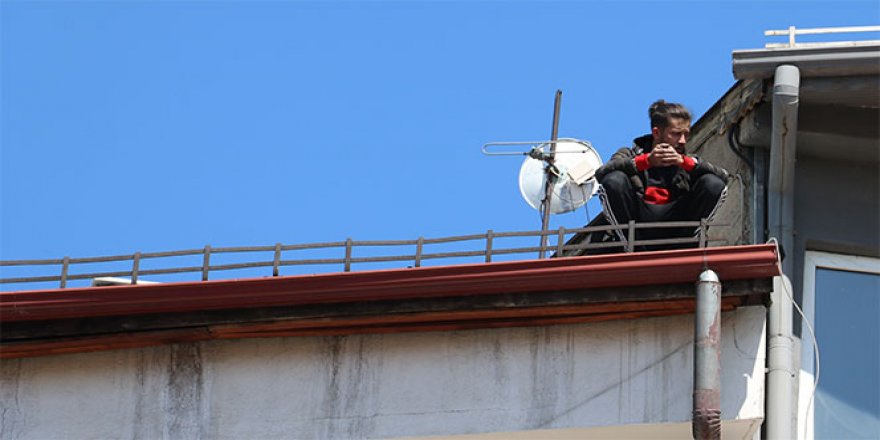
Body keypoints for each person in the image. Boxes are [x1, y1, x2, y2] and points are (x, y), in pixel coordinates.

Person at [594, 99, 729, 246]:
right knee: (614, 180)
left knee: (713, 183)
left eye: (686, 134)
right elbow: (602, 173)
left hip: (679, 231)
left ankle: (689, 244)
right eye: (676, 134)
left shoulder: (688, 162)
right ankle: (627, 243)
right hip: (636, 230)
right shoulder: (630, 153)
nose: (683, 141)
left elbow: (723, 178)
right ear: (656, 133)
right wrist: (645, 161)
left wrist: (686, 163)